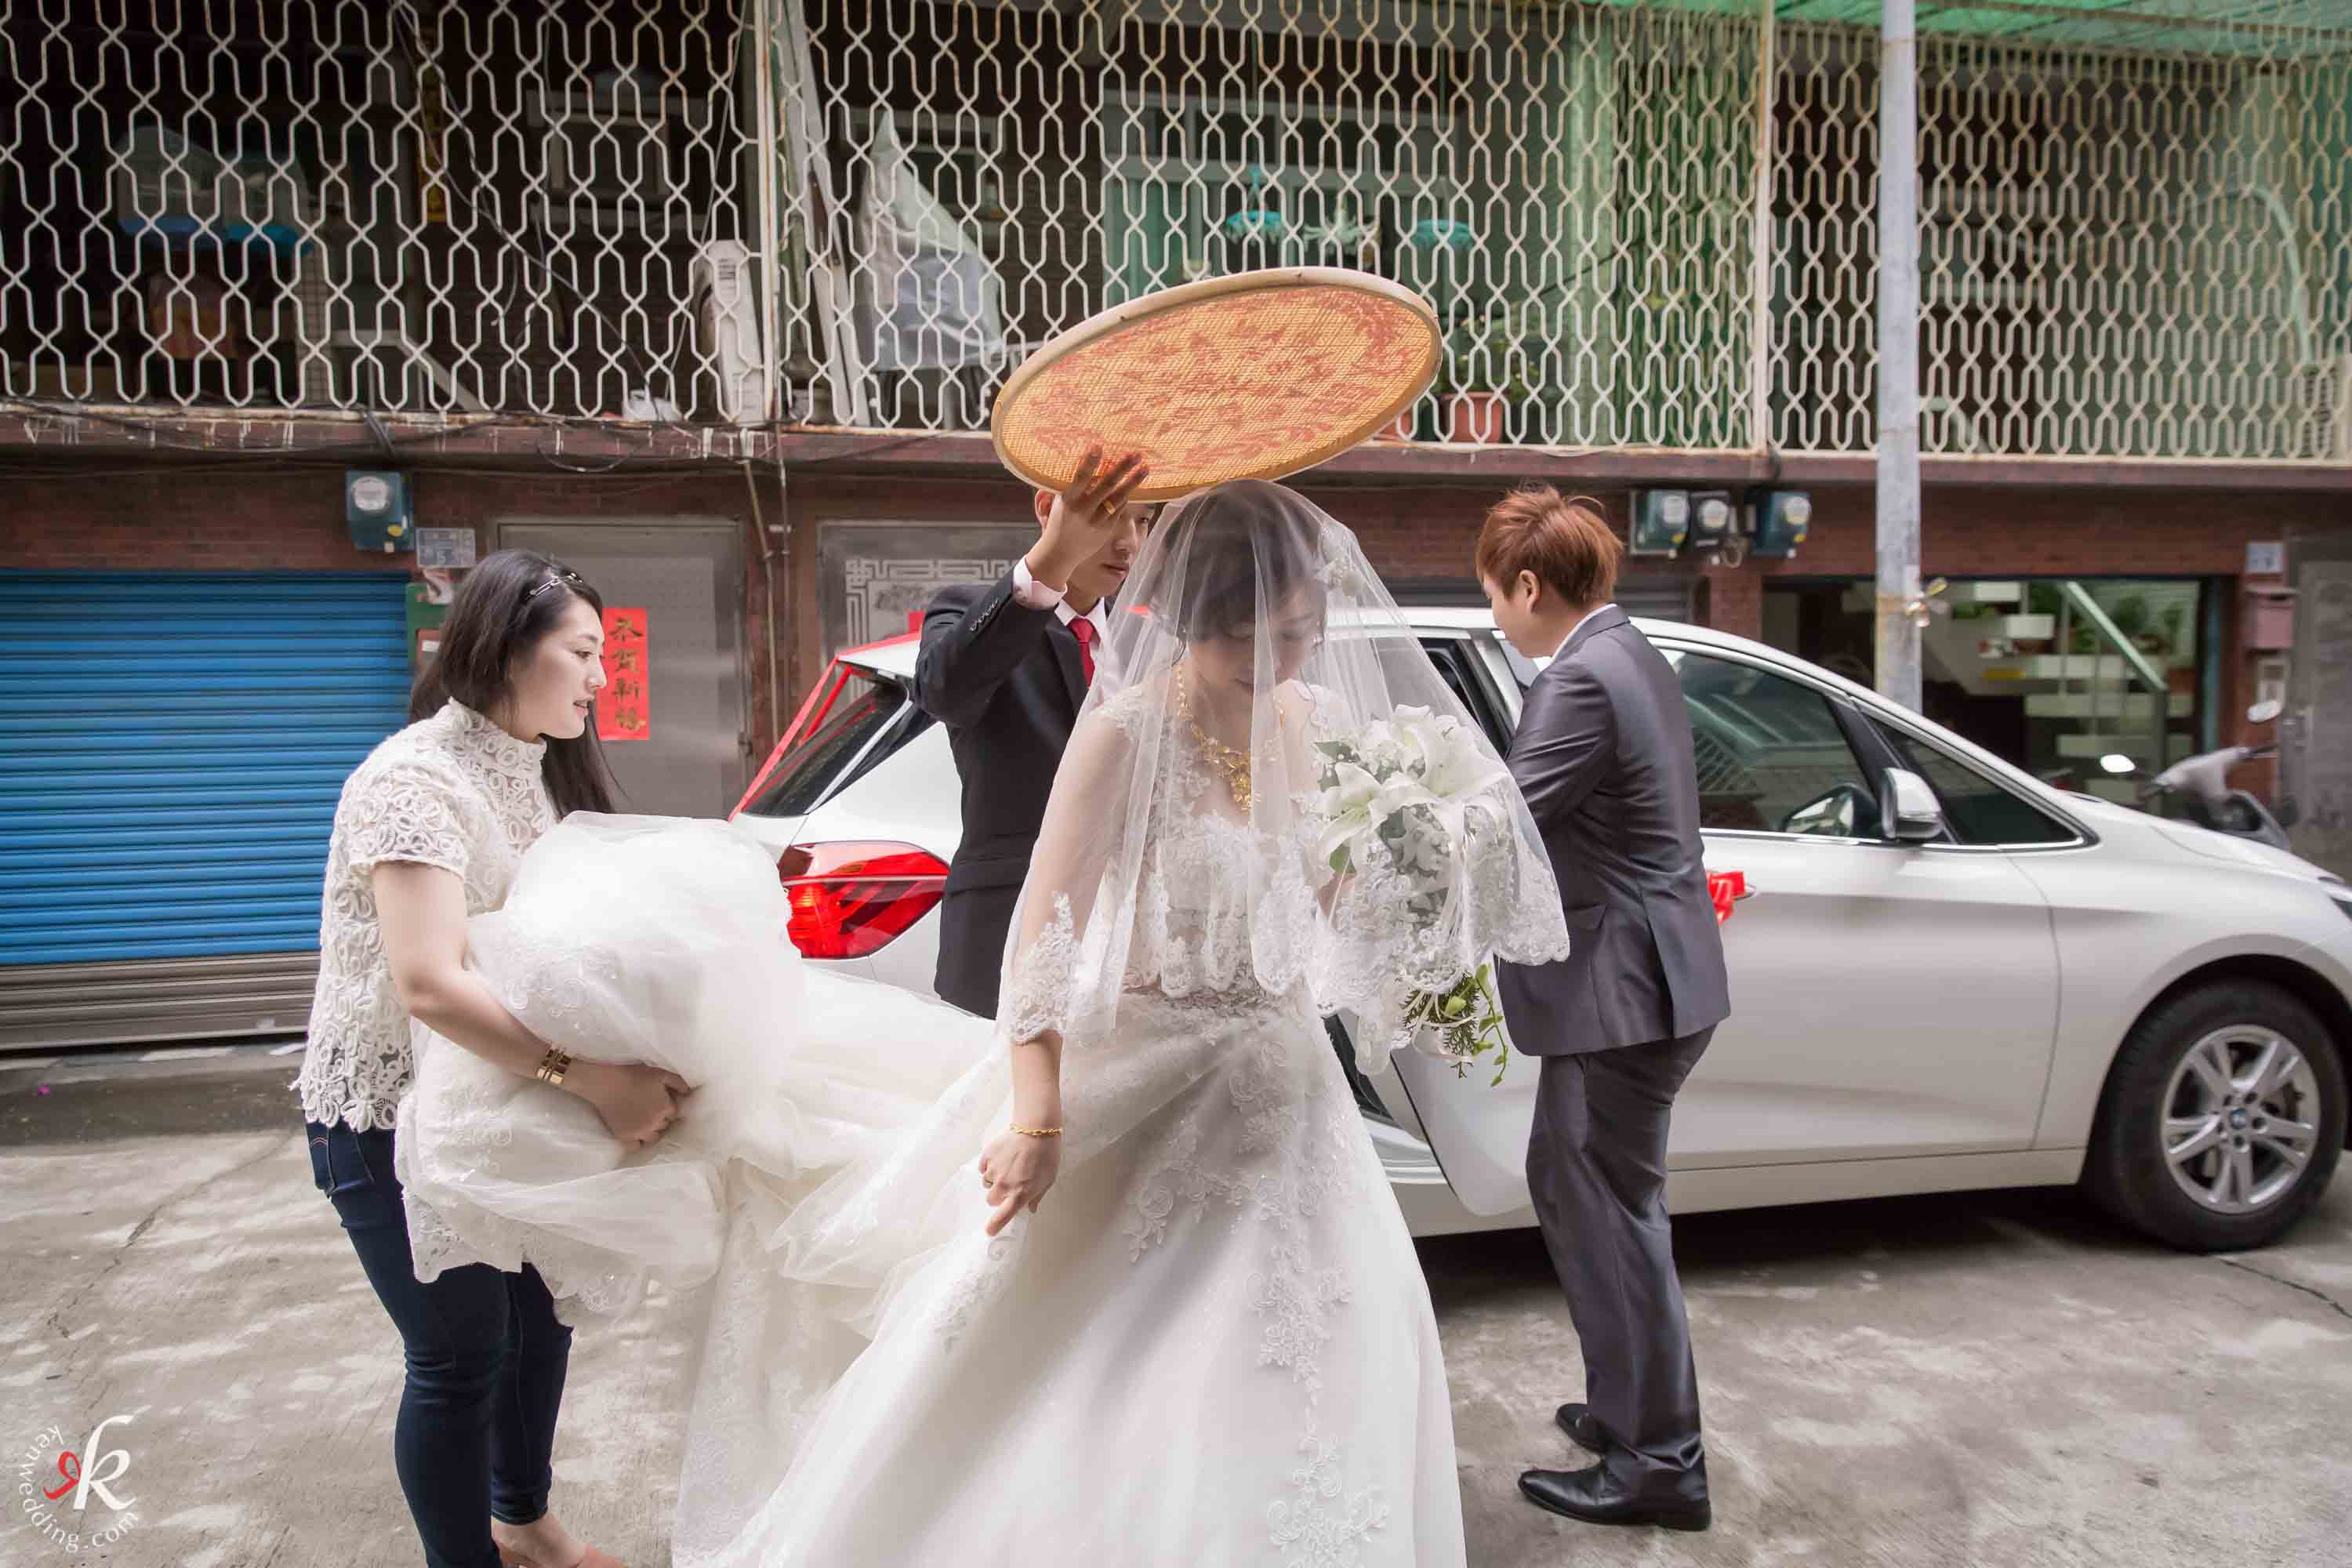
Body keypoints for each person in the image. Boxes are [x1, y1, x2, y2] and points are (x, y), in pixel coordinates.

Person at [394, 479, 1572, 1566]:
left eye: (1303, 635)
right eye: (1257, 637)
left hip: (1288, 1084)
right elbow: (1042, 932)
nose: (1282, 659)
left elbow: (1319, 904)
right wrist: (1039, 1112)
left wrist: (1409, 871)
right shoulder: (1126, 730)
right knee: (1099, 1363)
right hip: (1156, 1073)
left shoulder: (1315, 723)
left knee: (1333, 1340)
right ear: (1195, 619)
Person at [292, 550, 689, 1568]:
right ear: (509, 650)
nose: (602, 675)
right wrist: (593, 1080)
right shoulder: (411, 782)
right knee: (461, 1352)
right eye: (584, 652)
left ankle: (525, 1524)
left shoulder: (537, 772)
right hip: (383, 1113)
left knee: (540, 1318)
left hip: (490, 1097)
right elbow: (429, 983)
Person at [1477, 486, 1732, 1533]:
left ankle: (1661, 1463)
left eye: (1495, 594)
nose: (1497, 615)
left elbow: (1500, 825)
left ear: (1530, 584)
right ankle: (1629, 1409)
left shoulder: (1579, 677)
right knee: (1576, 1185)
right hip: (1646, 981)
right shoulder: (1630, 652)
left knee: (1612, 1217)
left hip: (1622, 993)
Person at [913, 445, 1153, 1017]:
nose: (1128, 543)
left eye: (1143, 521)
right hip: (1008, 935)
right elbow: (943, 692)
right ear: (1048, 509)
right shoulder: (971, 612)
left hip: (1133, 947)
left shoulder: (1151, 643)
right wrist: (1051, 562)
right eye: (1110, 516)